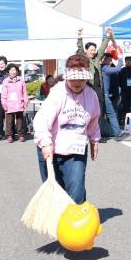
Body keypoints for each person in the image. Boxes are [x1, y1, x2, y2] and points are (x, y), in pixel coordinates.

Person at [33, 55, 101, 204]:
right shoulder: (57, 92)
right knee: (55, 192)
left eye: (81, 79)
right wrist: (45, 143)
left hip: (76, 149)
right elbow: (41, 120)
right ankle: (58, 223)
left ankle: (76, 222)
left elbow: (93, 120)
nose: (77, 83)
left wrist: (94, 140)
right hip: (52, 147)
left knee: (76, 192)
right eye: (73, 79)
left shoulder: (91, 95)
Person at [99, 52, 127, 141]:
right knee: (111, 114)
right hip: (105, 95)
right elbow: (118, 68)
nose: (111, 61)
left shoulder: (99, 67)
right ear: (104, 59)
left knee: (99, 115)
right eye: (110, 59)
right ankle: (117, 133)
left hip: (99, 94)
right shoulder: (105, 68)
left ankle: (98, 135)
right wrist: (120, 58)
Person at [0, 63, 29, 142]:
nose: (13, 72)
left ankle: (21, 135)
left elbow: (24, 92)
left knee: (20, 120)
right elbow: (4, 94)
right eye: (11, 70)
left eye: (14, 70)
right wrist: (4, 104)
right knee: (9, 121)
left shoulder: (21, 80)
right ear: (8, 71)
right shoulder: (6, 81)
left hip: (19, 102)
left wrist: (25, 102)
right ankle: (10, 135)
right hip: (9, 104)